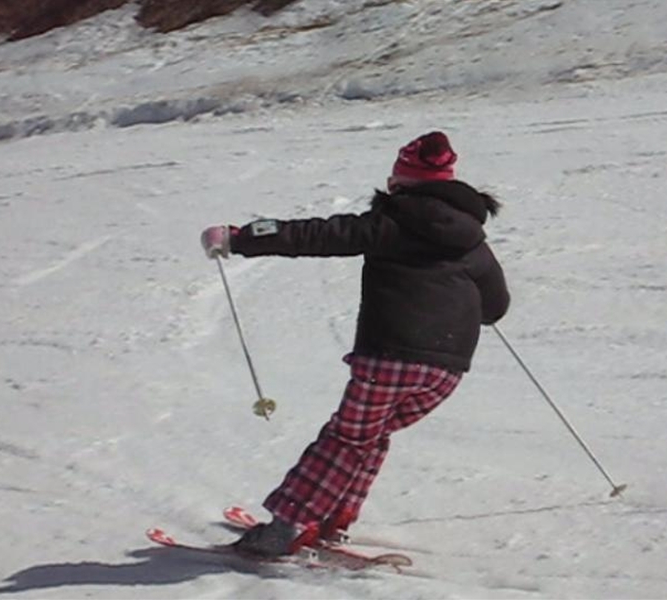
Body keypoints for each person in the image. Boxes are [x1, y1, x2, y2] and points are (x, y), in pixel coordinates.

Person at [200, 131, 510, 557]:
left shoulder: (391, 222)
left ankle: (284, 530)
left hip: (391, 357)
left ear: (400, 183)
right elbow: (496, 306)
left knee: (346, 438)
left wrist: (241, 237)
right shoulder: (473, 242)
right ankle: (335, 516)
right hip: (446, 370)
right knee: (369, 435)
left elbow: (316, 235)